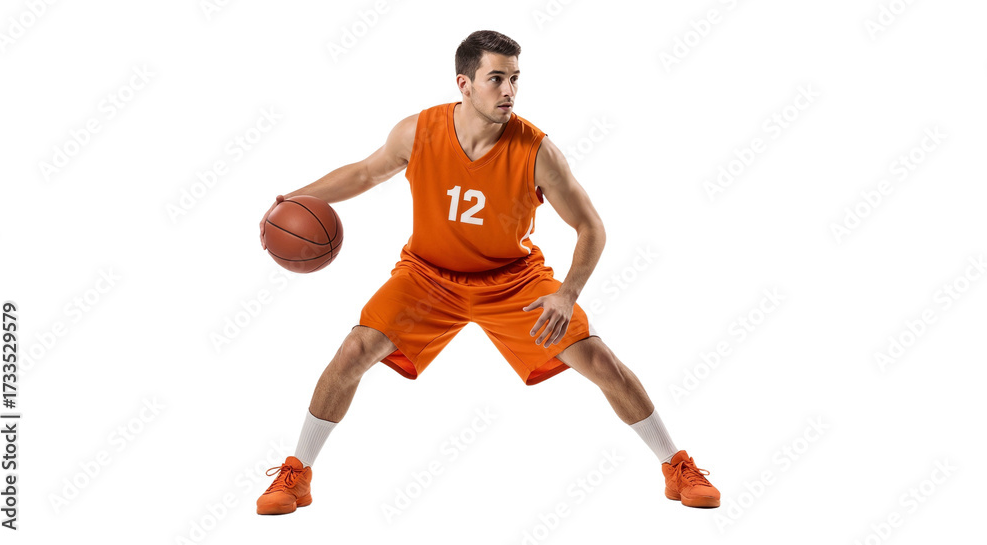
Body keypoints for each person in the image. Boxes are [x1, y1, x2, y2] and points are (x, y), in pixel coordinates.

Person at [255, 30, 720, 515]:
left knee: (600, 362)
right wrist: (296, 199)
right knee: (354, 350)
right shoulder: (418, 131)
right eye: (496, 78)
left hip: (513, 281)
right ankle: (297, 475)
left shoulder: (537, 150)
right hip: (427, 277)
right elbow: (366, 172)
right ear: (464, 83)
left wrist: (566, 293)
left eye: (515, 79)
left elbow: (591, 227)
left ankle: (676, 466)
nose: (509, 91)